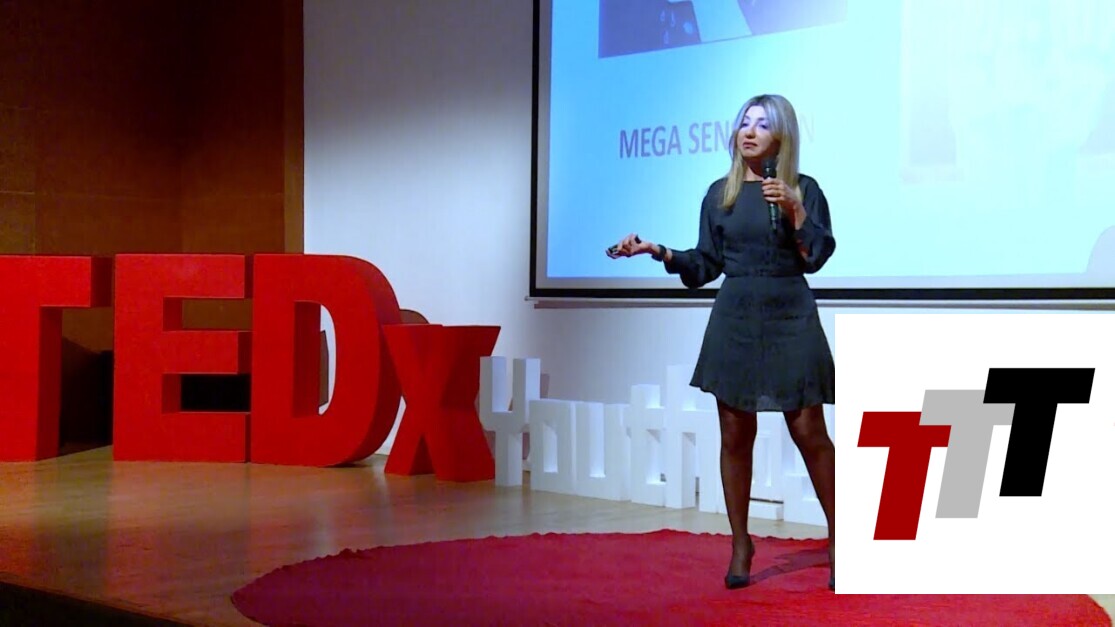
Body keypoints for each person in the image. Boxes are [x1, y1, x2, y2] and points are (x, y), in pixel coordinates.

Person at [610, 94, 836, 591]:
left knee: (808, 430)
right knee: (735, 434)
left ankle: (841, 536)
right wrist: (659, 251)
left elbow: (817, 255)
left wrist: (796, 210)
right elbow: (705, 265)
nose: (749, 132)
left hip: (790, 314)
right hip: (736, 317)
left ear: (782, 137)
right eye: (743, 124)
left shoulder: (803, 189)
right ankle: (740, 544)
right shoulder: (720, 194)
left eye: (762, 125)